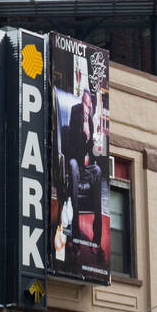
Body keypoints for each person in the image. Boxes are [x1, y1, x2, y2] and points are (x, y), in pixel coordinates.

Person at [60, 88, 102, 247]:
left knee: (97, 171)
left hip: (85, 166)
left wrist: (94, 140)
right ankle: (75, 230)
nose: (86, 108)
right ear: (82, 102)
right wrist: (84, 132)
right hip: (74, 160)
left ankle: (97, 237)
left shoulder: (91, 120)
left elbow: (91, 152)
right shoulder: (75, 112)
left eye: (88, 105)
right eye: (85, 103)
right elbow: (74, 142)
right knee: (72, 166)